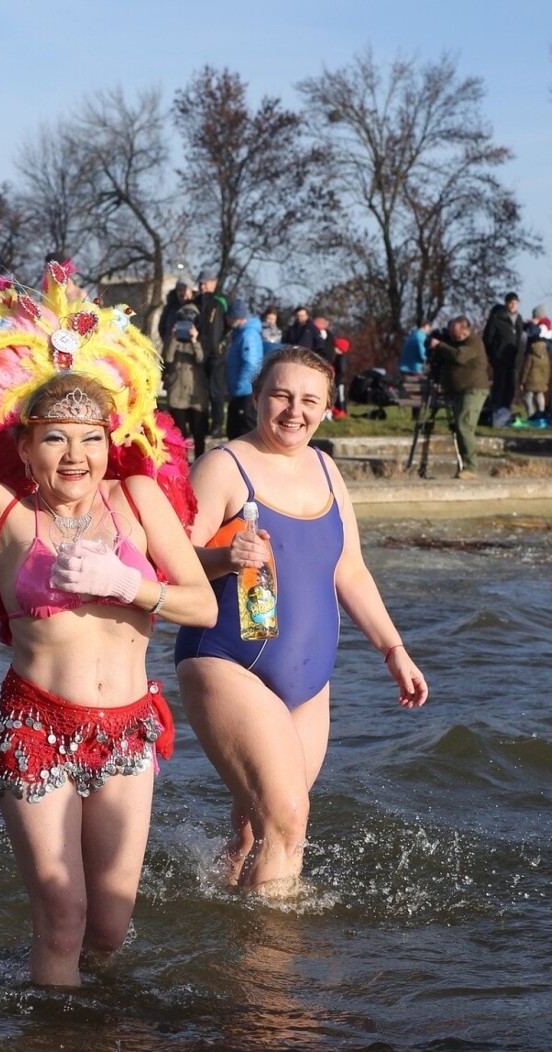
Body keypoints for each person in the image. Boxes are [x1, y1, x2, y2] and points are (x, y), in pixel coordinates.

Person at [0, 266, 217, 986]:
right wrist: (3, 390)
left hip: (128, 730)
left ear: (112, 442)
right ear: (25, 447)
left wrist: (130, 585)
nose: (75, 455)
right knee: (63, 913)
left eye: (90, 438)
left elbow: (200, 603)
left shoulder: (138, 497)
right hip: (36, 729)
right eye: (53, 438)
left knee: (109, 923)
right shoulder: (3, 514)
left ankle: (97, 1044)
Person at [174, 345, 428, 893]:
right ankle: (271, 969)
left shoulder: (326, 468)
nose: (295, 411)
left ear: (327, 407)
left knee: (256, 829)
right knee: (288, 820)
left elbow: (351, 570)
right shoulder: (223, 465)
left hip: (310, 682)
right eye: (282, 396)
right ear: (258, 397)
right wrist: (225, 556)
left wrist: (394, 649)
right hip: (225, 661)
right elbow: (171, 561)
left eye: (309, 400)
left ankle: (220, 927)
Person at [429, 316, 490, 478]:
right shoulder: (453, 343)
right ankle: (463, 466)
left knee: (464, 425)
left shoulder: (473, 342)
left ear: (466, 330)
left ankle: (471, 467)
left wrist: (440, 346)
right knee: (458, 428)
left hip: (474, 389)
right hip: (457, 391)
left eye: (456, 333)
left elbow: (459, 357)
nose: (454, 337)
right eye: (451, 333)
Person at [163, 302, 209, 459]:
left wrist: (195, 340)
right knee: (179, 435)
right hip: (177, 392)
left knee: (198, 433)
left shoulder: (202, 339)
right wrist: (174, 338)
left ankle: (200, 462)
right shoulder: (173, 339)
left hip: (195, 394)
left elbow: (202, 359)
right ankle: (181, 464)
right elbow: (167, 358)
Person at [194, 268, 227, 437]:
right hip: (201, 352)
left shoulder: (220, 301)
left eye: (204, 283)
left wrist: (222, 344)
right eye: (200, 283)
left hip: (216, 355)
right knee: (202, 391)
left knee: (216, 391)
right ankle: (202, 424)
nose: (201, 287)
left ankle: (217, 424)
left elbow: (228, 326)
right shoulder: (197, 301)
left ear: (213, 283)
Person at [224, 299, 263, 440]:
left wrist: (238, 386)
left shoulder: (248, 335)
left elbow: (251, 364)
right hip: (241, 391)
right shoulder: (241, 334)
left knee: (244, 432)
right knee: (234, 431)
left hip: (245, 392)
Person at [482, 291, 524, 424]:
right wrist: (492, 354)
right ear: (506, 303)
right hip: (499, 358)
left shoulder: (518, 319)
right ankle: (496, 412)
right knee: (499, 385)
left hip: (513, 358)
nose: (513, 305)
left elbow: (518, 338)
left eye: (515, 303)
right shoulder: (497, 317)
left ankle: (506, 412)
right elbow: (488, 337)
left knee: (511, 386)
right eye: (511, 303)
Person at [519, 308, 552, 421]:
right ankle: (541, 414)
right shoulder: (545, 354)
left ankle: (531, 415)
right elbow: (547, 369)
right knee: (539, 395)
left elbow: (526, 368)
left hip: (530, 380)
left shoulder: (531, 353)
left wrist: (522, 381)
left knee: (528, 396)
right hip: (542, 380)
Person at [158, 278, 194, 349]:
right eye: (179, 290)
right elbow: (162, 328)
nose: (182, 293)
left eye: (185, 289)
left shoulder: (198, 308)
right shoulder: (170, 308)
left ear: (191, 291)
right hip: (170, 352)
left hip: (190, 353)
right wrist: (168, 341)